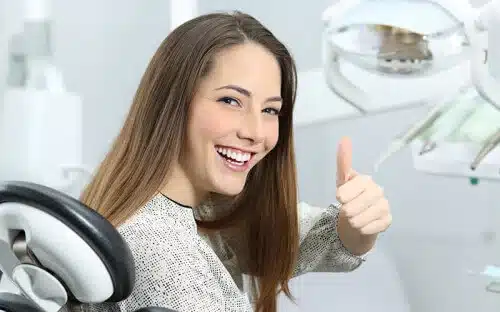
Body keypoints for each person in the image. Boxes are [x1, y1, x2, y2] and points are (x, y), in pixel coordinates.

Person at [78, 11, 392, 312]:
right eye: (230, 101)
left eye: (270, 110)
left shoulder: (202, 208)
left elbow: (281, 233)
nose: (255, 132)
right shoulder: (159, 248)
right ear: (174, 102)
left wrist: (356, 226)